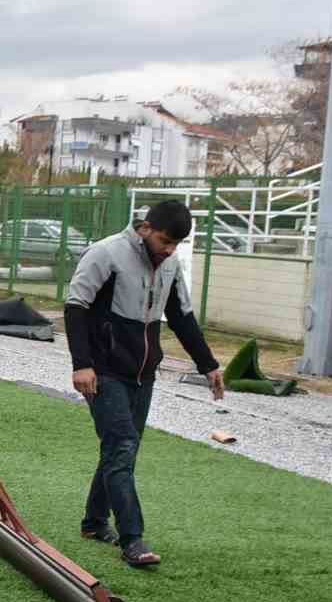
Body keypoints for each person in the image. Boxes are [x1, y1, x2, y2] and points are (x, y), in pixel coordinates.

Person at [64, 200, 223, 568]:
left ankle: (93, 522)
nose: (169, 250)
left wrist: (208, 365)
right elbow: (76, 307)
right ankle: (132, 538)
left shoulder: (170, 264)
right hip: (103, 371)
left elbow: (182, 317)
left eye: (177, 244)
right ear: (146, 228)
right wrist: (82, 365)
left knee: (122, 450)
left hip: (143, 373)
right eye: (165, 241)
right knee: (122, 445)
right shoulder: (105, 253)